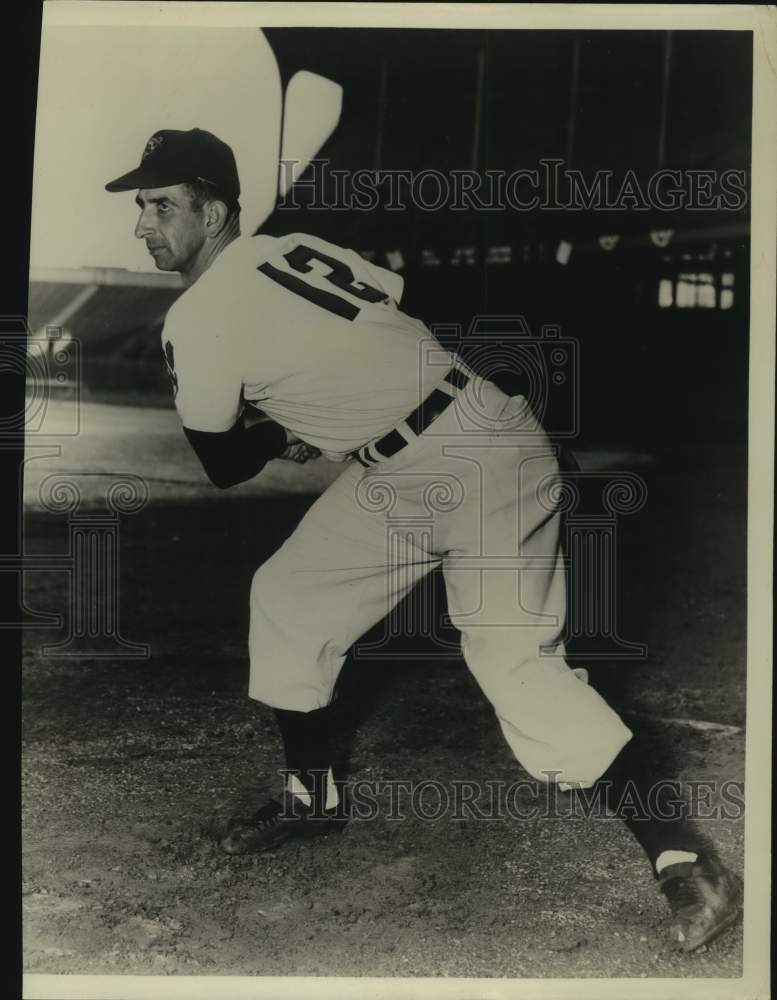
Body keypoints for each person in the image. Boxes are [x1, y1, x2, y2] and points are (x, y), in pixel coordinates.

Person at [106, 128, 740, 953]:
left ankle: (687, 862)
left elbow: (223, 464)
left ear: (216, 211)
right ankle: (313, 801)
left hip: (470, 464)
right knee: (289, 594)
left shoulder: (197, 316)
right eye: (140, 206)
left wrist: (279, 435)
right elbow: (386, 313)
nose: (143, 223)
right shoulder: (294, 245)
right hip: (428, 444)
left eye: (161, 205)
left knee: (515, 667)